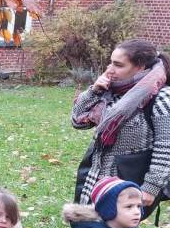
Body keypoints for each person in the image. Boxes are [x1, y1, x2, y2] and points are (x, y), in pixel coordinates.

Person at [71, 39, 170, 213]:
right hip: (95, 175)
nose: (110, 70)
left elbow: (166, 146)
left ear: (140, 67)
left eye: (118, 65)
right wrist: (94, 91)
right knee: (84, 223)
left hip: (128, 180)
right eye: (111, 62)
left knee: (113, 227)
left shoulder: (160, 97)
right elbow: (77, 121)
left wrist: (151, 187)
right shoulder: (111, 91)